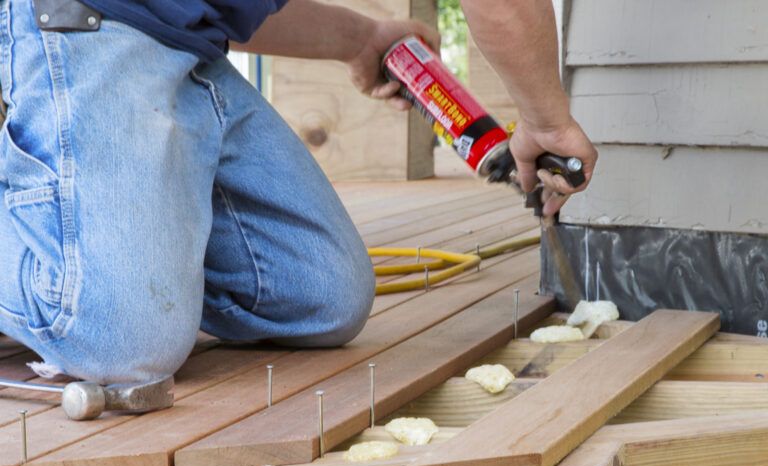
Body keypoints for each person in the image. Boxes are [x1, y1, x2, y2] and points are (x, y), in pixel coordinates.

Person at [0, 0, 596, 384]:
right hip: (76, 24)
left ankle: (95, 243)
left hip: (186, 52)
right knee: (115, 341)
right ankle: (79, 273)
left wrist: (362, 39)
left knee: (318, 297)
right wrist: (546, 121)